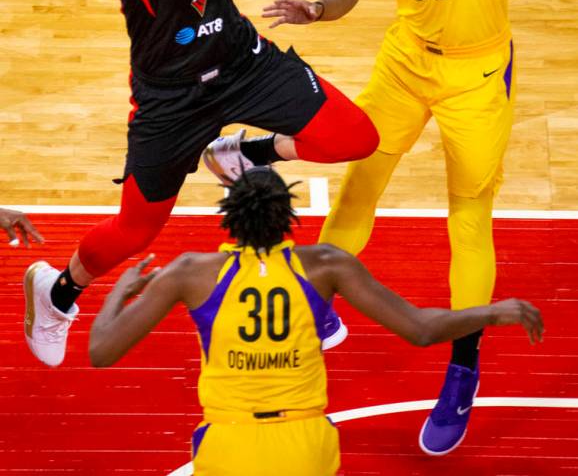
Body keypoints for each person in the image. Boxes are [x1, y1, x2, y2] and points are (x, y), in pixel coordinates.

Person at [24, 0, 378, 369]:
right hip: (172, 98)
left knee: (354, 137)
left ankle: (244, 151)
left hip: (243, 64)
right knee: (136, 230)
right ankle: (56, 292)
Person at [262, 0, 515, 456]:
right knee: (358, 183)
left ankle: (463, 365)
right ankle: (313, 314)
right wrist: (318, 7)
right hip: (407, 60)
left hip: (476, 74)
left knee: (466, 218)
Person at [89, 167, 543, 476]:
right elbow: (421, 329)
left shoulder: (189, 272)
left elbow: (101, 351)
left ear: (229, 220)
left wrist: (119, 293)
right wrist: (491, 311)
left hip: (230, 443)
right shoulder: (326, 265)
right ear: (288, 218)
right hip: (305, 443)